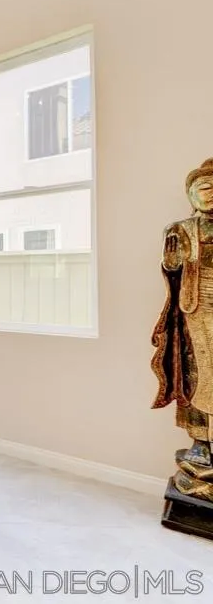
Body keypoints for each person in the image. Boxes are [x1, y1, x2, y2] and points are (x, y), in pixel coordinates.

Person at [152, 158, 213, 501]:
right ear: (191, 193)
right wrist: (171, 264)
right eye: (204, 188)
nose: (210, 195)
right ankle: (200, 442)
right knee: (193, 376)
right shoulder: (181, 229)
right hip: (194, 312)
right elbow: (172, 270)